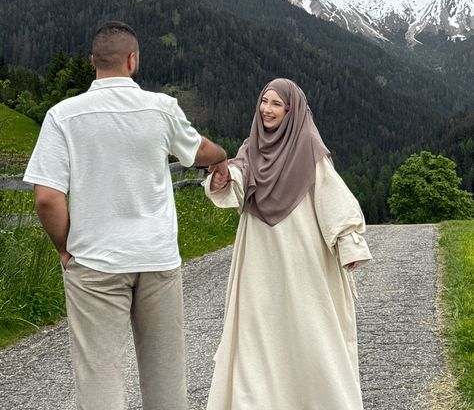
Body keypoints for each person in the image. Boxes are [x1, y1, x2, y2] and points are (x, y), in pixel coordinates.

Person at [23, 21, 227, 410]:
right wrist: (220, 158)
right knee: (166, 380)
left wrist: (67, 249)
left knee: (100, 381)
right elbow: (198, 150)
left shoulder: (62, 116)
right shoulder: (161, 108)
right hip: (156, 258)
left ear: (93, 62)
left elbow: (47, 198)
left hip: (95, 262)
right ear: (132, 60)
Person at [203, 78, 372, 410]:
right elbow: (238, 178)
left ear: (291, 110)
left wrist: (348, 242)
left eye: (276, 104)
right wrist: (223, 179)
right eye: (264, 102)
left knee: (307, 329)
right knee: (257, 332)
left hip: (301, 258)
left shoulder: (308, 146)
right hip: (259, 260)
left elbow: (331, 197)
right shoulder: (250, 148)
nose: (267, 110)